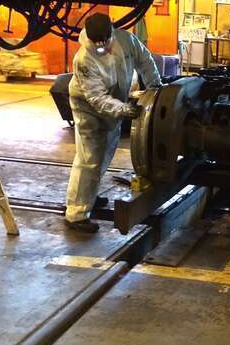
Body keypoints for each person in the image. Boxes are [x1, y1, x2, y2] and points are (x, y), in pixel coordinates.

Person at [65, 12, 161, 234]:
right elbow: (97, 98)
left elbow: (144, 59)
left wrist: (156, 87)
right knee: (89, 158)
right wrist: (125, 109)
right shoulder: (84, 59)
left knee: (106, 151)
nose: (102, 46)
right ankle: (76, 214)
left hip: (114, 101)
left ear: (112, 32)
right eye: (96, 42)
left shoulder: (126, 40)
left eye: (105, 40)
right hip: (88, 106)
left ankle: (88, 194)